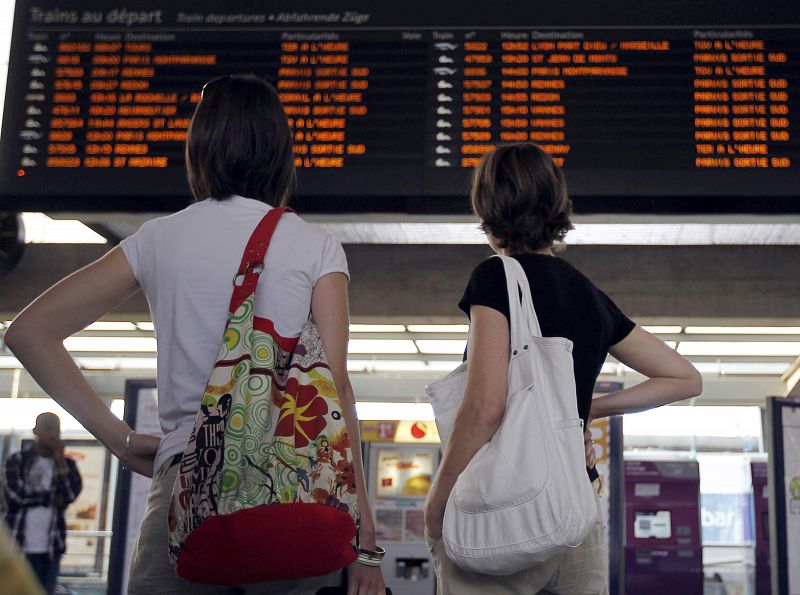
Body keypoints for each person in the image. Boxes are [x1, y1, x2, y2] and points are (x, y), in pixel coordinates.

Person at [4, 73, 385, 595]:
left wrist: (119, 440)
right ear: (280, 152)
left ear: (200, 148)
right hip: (293, 497)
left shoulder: (159, 239)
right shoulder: (315, 246)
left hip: (185, 488)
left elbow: (29, 332)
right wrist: (365, 540)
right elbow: (336, 392)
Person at [423, 142, 702, 594]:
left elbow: (486, 407)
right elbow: (685, 379)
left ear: (486, 206)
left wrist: (438, 498)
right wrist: (587, 409)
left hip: (502, 508)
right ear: (557, 202)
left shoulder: (496, 277)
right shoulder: (588, 293)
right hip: (576, 509)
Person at [3, 412, 82, 594]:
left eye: (56, 429)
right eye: (48, 428)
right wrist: (50, 499)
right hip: (18, 544)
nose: (53, 434)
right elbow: (15, 497)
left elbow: (69, 495)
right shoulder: (18, 461)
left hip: (50, 547)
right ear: (36, 431)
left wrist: (61, 463)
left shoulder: (67, 465)